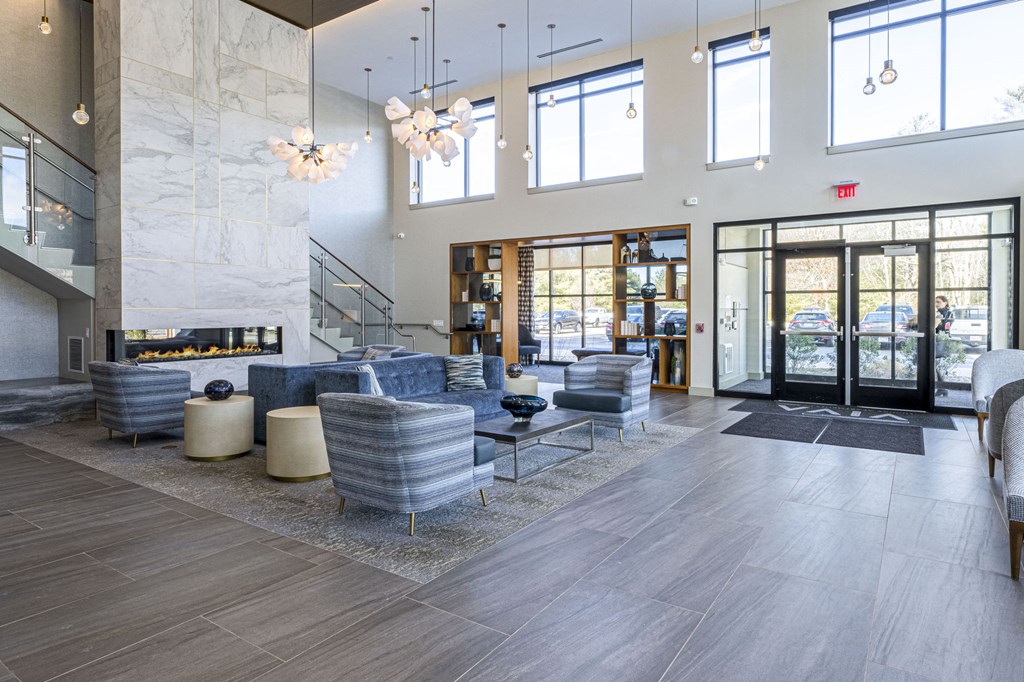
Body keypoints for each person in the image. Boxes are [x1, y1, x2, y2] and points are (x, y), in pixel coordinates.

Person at [934, 295, 954, 396]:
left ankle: (942, 388)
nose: (936, 304)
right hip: (937, 339)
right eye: (935, 302)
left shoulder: (948, 313)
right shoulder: (937, 313)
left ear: (945, 303)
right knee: (935, 366)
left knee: (936, 365)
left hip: (941, 341)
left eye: (938, 302)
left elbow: (944, 328)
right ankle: (941, 388)